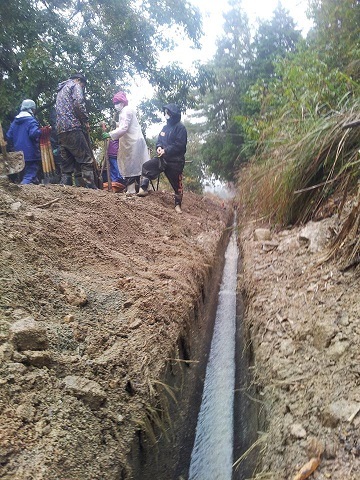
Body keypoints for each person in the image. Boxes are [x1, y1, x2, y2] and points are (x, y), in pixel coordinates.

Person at [137, 103, 187, 214]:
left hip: (175, 162)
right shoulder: (165, 128)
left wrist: (166, 150)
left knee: (177, 185)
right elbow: (159, 140)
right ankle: (143, 189)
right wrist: (159, 147)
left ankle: (178, 205)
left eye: (167, 113)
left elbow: (180, 145)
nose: (165, 115)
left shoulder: (181, 128)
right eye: (165, 112)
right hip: (162, 159)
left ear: (173, 114)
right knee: (146, 167)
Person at [55, 73, 97, 188]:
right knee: (86, 158)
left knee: (67, 161)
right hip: (72, 126)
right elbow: (78, 103)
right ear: (79, 80)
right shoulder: (75, 85)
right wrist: (85, 120)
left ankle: (66, 187)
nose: (82, 88)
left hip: (60, 129)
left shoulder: (61, 89)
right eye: (83, 86)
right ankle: (90, 187)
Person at [102, 91, 149, 194]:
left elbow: (123, 128)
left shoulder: (125, 111)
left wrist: (109, 134)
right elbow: (125, 124)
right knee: (136, 166)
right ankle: (137, 188)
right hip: (133, 141)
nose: (116, 105)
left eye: (117, 102)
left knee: (131, 166)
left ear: (122, 102)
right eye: (115, 103)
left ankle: (134, 189)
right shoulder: (127, 110)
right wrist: (116, 124)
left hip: (132, 143)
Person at [6, 99, 41, 185]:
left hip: (18, 154)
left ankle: (32, 184)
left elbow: (9, 136)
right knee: (31, 172)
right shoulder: (31, 121)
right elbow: (33, 134)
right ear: (31, 109)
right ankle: (25, 185)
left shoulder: (15, 122)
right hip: (31, 153)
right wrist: (41, 131)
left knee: (24, 173)